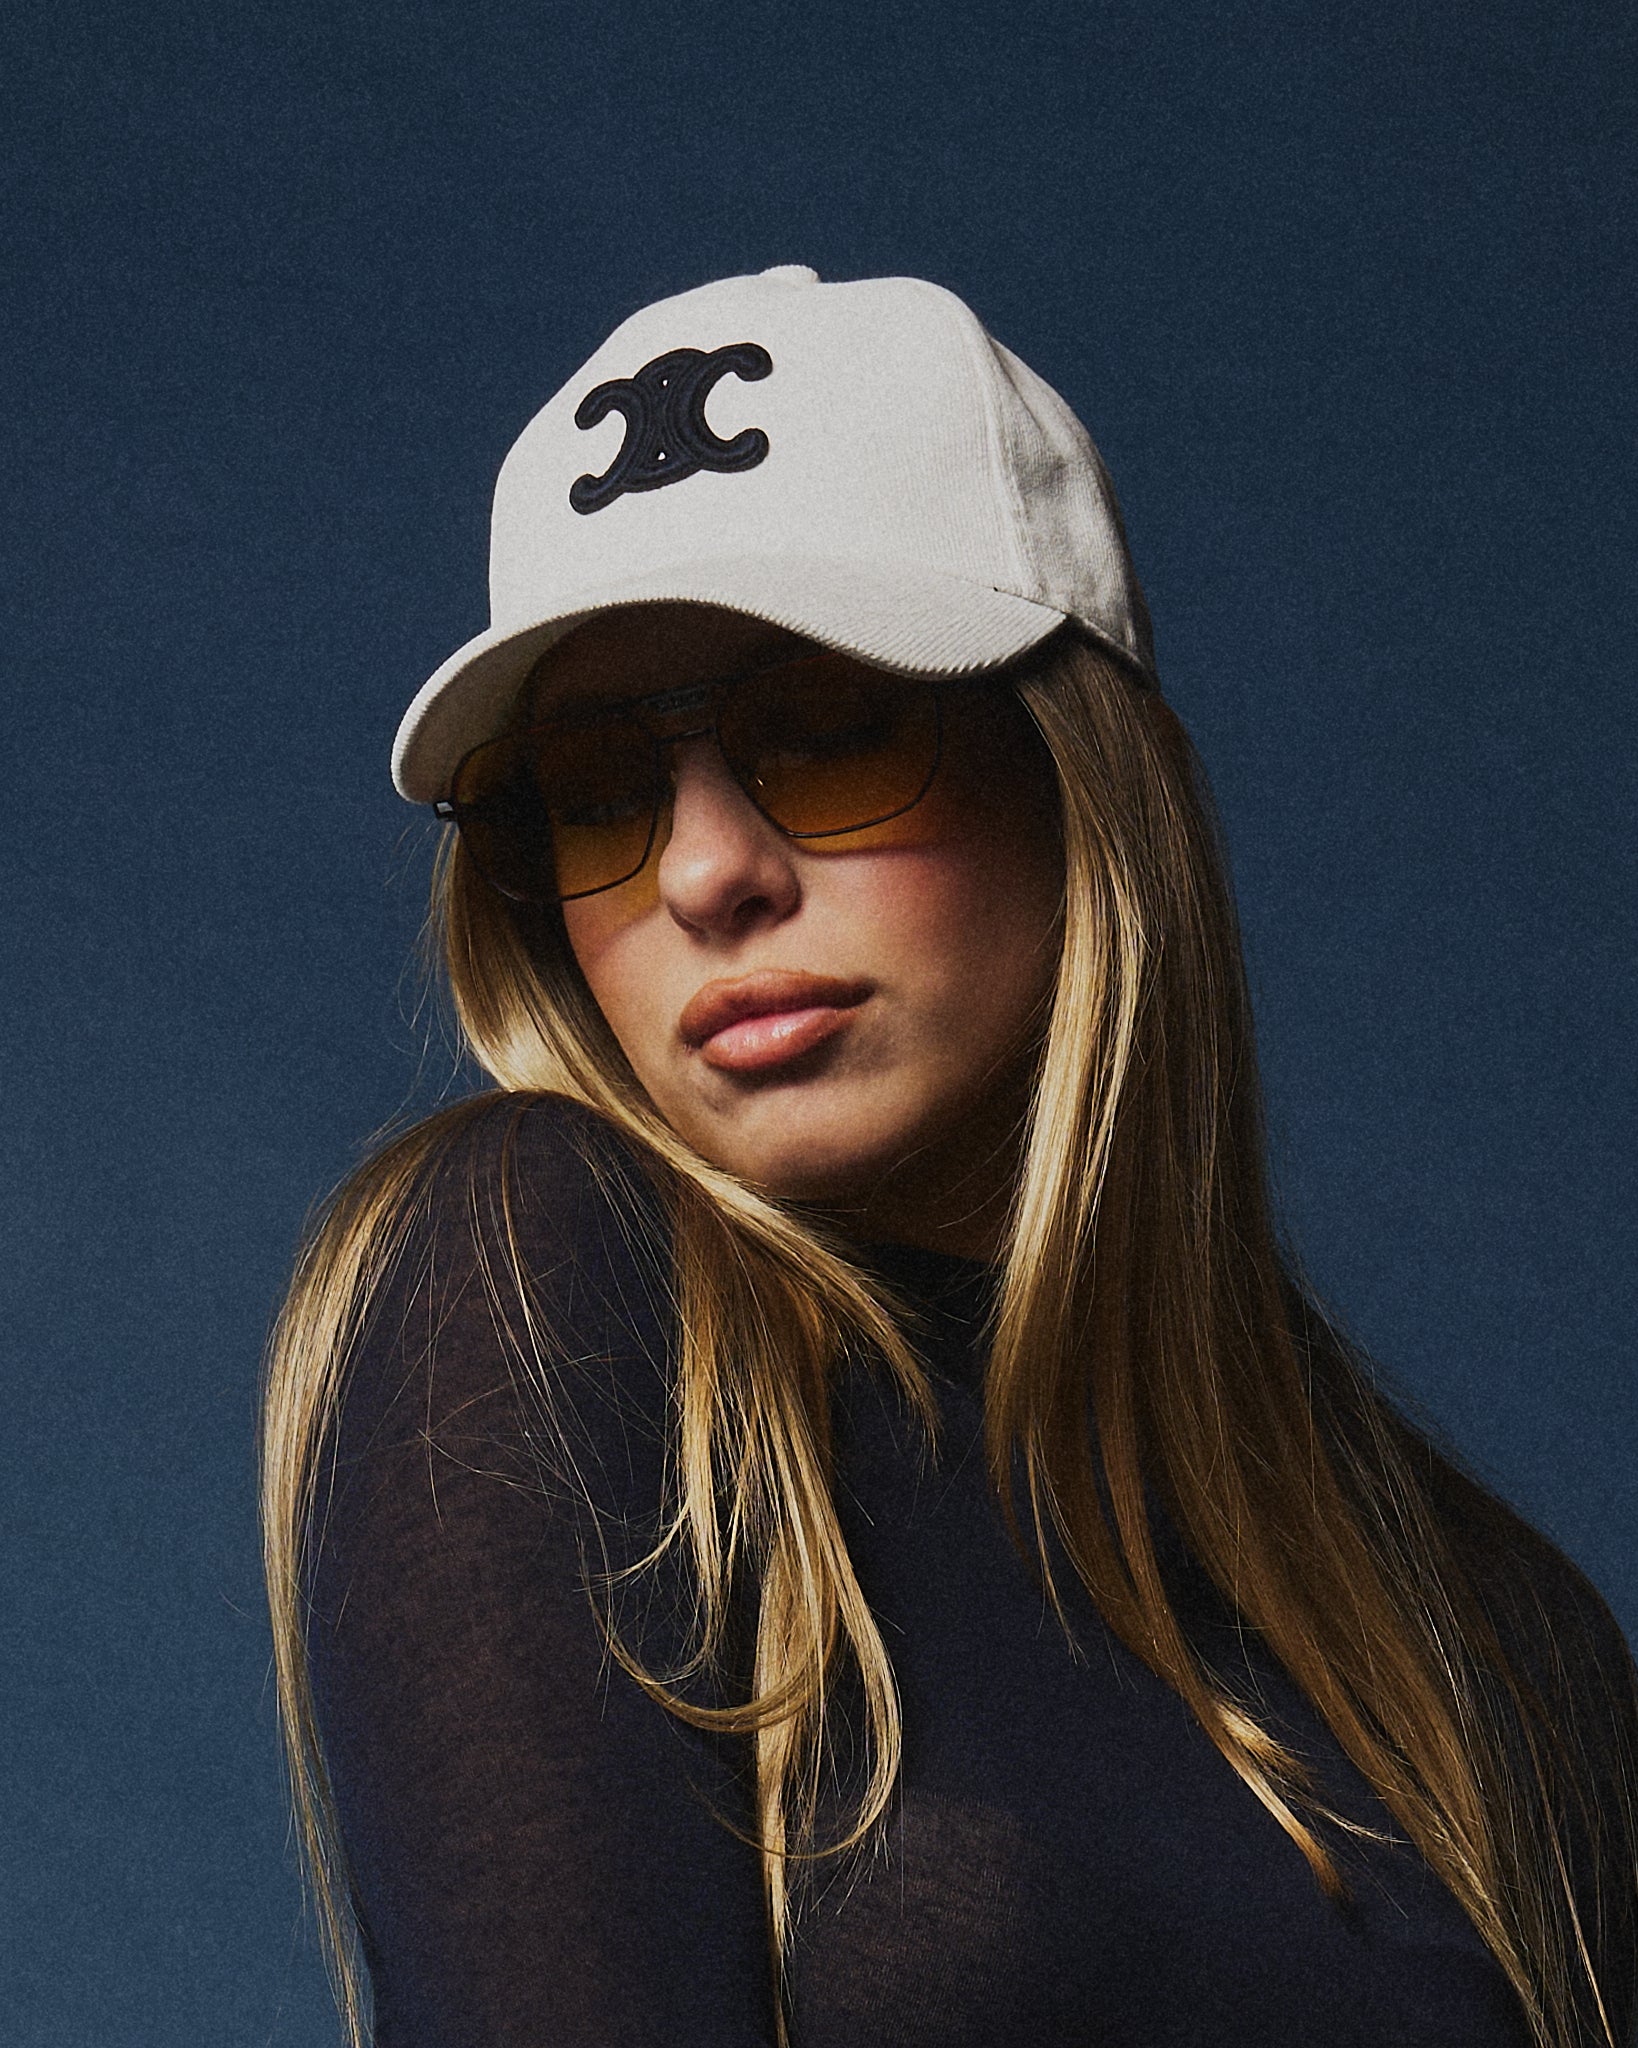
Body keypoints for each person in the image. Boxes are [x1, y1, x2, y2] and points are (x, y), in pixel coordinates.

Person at [262, 266, 1638, 2048]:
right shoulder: (540, 1282)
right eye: (596, 792)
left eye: (830, 731)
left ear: (1079, 774)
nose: (705, 874)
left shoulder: (1496, 1640)